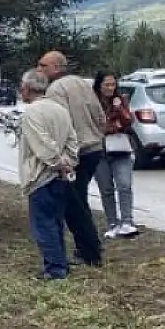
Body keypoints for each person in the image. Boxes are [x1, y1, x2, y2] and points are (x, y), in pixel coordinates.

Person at [38, 51, 105, 267]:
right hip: (94, 148)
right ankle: (89, 248)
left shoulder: (55, 89)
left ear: (56, 67)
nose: (40, 70)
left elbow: (60, 124)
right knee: (79, 200)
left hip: (77, 153)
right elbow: (100, 114)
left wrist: (62, 157)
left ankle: (89, 251)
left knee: (74, 206)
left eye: (43, 66)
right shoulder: (82, 83)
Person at [18, 70, 78, 281]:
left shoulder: (31, 113)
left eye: (21, 86)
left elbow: (42, 145)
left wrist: (58, 163)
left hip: (41, 176)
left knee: (43, 224)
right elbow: (72, 140)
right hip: (61, 177)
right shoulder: (60, 110)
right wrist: (69, 162)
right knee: (56, 222)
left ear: (27, 88)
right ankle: (59, 261)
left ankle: (55, 269)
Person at [91, 72, 140, 239]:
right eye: (107, 85)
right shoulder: (92, 101)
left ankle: (127, 221)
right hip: (99, 149)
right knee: (106, 188)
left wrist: (118, 109)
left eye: (113, 85)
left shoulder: (121, 100)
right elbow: (96, 124)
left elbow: (127, 121)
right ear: (99, 85)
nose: (110, 88)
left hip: (120, 148)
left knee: (124, 185)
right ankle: (112, 222)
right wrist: (110, 125)